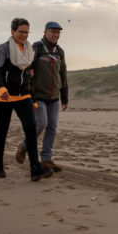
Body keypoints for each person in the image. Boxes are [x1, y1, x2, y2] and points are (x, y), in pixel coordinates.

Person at [0, 17, 52, 181]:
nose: (24, 35)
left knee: (31, 129)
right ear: (13, 31)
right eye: (21, 32)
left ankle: (35, 168)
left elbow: (28, 76)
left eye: (26, 32)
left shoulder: (29, 50)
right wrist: (1, 87)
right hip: (2, 96)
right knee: (2, 131)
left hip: (22, 96)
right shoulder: (4, 48)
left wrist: (31, 97)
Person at [15, 21, 69, 173]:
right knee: (41, 124)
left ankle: (46, 160)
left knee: (52, 127)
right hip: (37, 96)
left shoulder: (60, 51)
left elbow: (63, 74)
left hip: (54, 97)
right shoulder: (37, 48)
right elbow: (27, 70)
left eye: (58, 32)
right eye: (53, 32)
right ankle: (24, 145)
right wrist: (27, 92)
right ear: (45, 32)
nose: (56, 35)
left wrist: (65, 97)